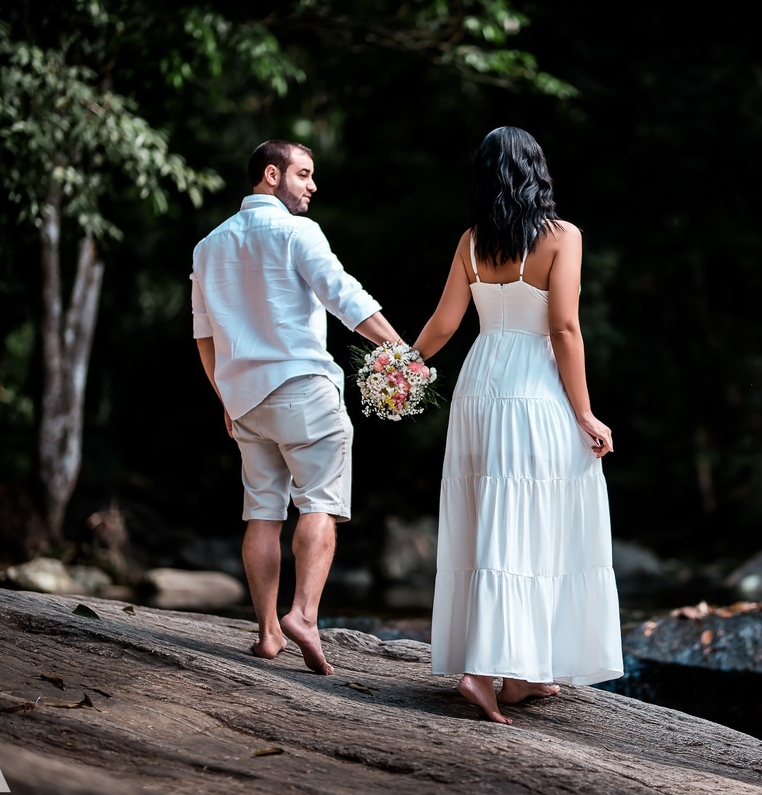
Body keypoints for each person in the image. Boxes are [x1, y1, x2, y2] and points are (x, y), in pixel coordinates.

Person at [412, 126, 623, 724]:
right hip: (532, 389)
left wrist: (400, 368)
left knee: (492, 518)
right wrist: (584, 412)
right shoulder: (563, 237)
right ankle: (482, 673)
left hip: (480, 385)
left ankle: (523, 674)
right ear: (537, 170)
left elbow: (445, 324)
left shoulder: (471, 242)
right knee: (533, 518)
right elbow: (564, 330)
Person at [191, 139, 406, 675]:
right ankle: (304, 615)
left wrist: (225, 396)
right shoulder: (297, 231)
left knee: (262, 512)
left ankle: (267, 634)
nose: (312, 185)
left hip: (244, 400)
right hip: (303, 389)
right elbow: (345, 296)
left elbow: (203, 337)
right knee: (319, 504)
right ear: (271, 175)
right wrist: (401, 353)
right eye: (304, 174)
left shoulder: (207, 246)